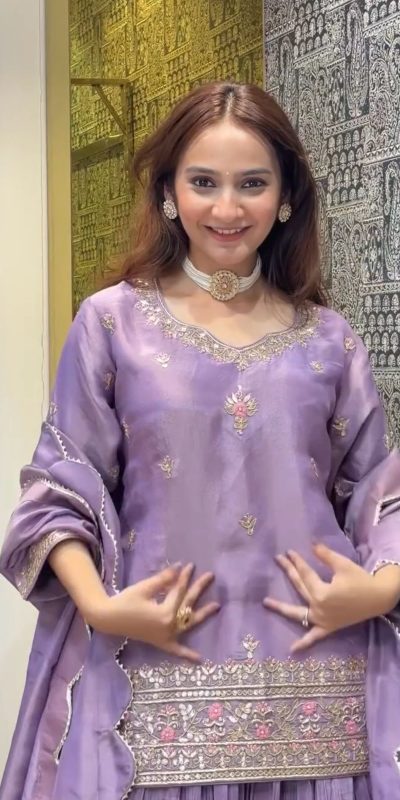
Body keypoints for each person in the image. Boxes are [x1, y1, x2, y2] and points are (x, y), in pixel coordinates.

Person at [1, 81, 400, 800]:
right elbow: (61, 486)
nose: (226, 208)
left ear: (286, 197)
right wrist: (101, 607)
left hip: (316, 684)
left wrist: (378, 591)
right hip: (152, 674)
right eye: (204, 182)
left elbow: (380, 492)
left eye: (252, 184)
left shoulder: (330, 340)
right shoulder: (112, 324)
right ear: (168, 192)